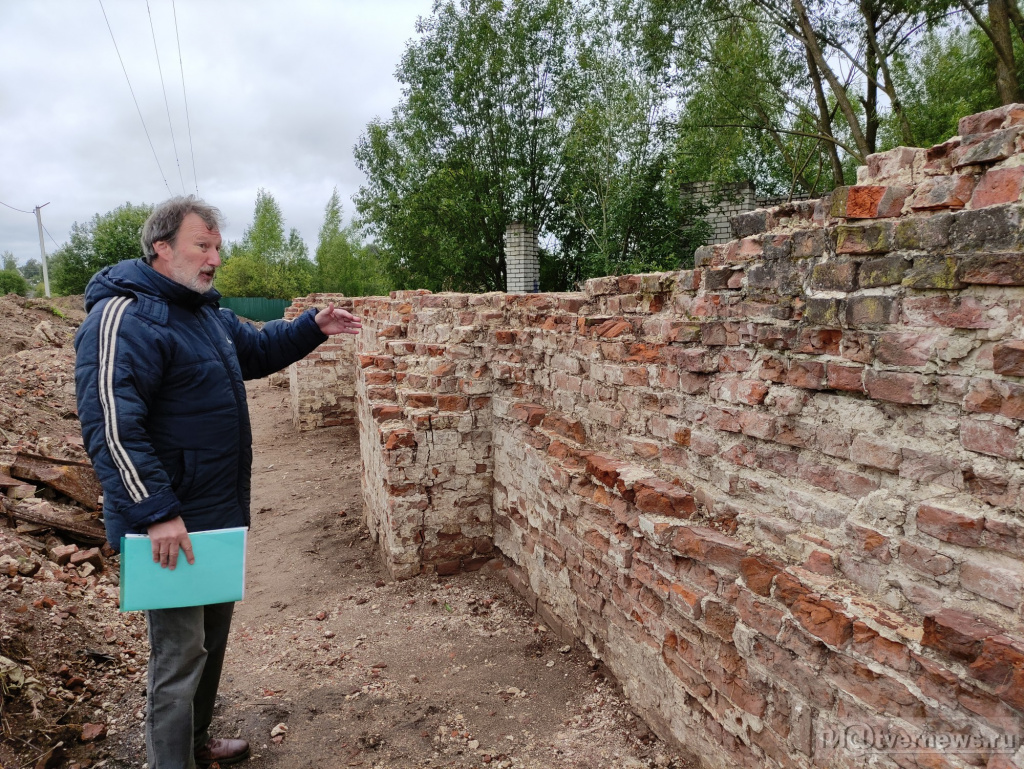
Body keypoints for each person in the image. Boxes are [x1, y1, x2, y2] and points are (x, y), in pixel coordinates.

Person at [74, 196, 361, 768]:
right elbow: (110, 424)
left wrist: (311, 327)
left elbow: (255, 348)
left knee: (210, 643)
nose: (213, 259)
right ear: (161, 248)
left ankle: (197, 743)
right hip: (170, 522)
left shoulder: (202, 312)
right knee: (178, 656)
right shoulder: (123, 317)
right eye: (201, 246)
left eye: (217, 248)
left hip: (214, 515)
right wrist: (155, 511)